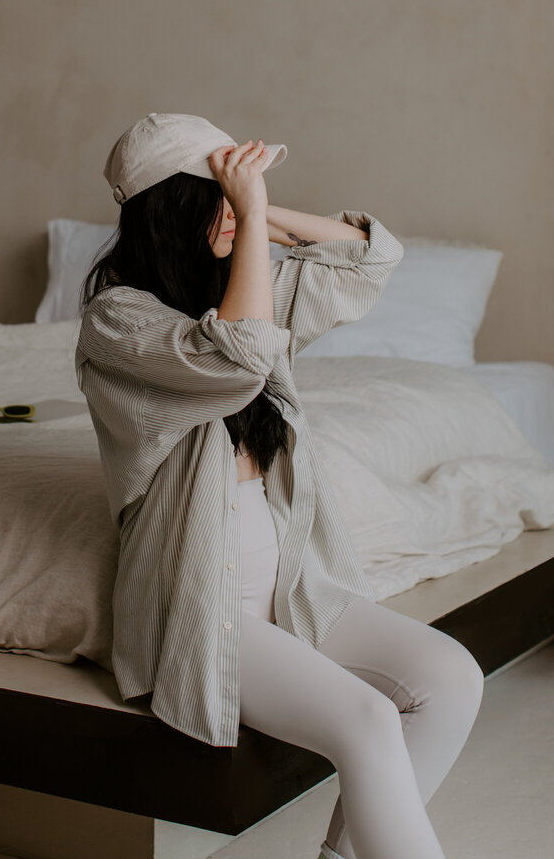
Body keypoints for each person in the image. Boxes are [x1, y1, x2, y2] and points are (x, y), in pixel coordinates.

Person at [75, 112, 484, 859]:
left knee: (451, 677)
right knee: (367, 720)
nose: (238, 211)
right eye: (218, 197)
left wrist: (254, 205)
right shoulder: (117, 320)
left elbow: (368, 259)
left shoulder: (242, 287)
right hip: (203, 601)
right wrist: (253, 219)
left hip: (291, 587)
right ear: (172, 209)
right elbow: (240, 360)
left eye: (239, 196)